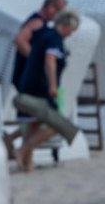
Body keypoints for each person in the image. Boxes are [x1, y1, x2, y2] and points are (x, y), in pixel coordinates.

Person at [12, 9, 80, 171]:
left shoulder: (43, 34)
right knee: (57, 124)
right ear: (66, 25)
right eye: (72, 30)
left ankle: (27, 166)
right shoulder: (54, 39)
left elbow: (22, 39)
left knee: (34, 124)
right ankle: (22, 151)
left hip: (26, 85)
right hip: (40, 89)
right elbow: (50, 61)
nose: (72, 34)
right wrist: (53, 85)